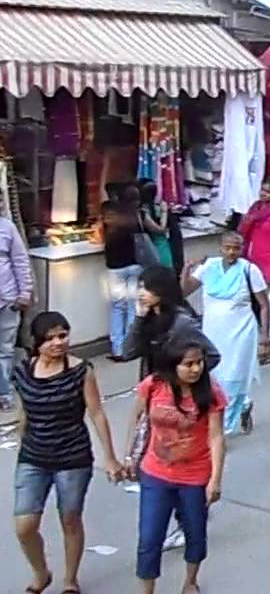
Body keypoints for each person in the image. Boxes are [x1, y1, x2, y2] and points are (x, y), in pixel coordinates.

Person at [12, 312, 124, 594]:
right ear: (37, 342)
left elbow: (97, 413)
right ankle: (42, 573)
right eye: (50, 338)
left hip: (72, 457)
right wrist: (21, 437)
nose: (58, 343)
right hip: (33, 457)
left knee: (70, 518)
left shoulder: (80, 370)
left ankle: (70, 580)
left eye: (62, 336)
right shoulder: (24, 371)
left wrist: (109, 457)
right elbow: (24, 410)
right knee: (25, 525)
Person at [125, 335, 226, 594]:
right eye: (188, 364)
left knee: (195, 533)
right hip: (155, 473)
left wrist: (215, 480)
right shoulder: (153, 385)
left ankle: (190, 582)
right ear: (173, 365)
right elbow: (137, 419)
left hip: (194, 476)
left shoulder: (211, 392)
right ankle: (146, 589)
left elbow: (216, 436)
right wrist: (128, 456)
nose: (195, 369)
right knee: (149, 537)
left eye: (198, 363)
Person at [183, 232, 270, 436]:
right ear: (220, 247)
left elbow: (264, 305)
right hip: (213, 333)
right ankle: (244, 404)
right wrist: (187, 270)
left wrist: (265, 336)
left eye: (236, 248)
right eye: (228, 248)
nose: (232, 252)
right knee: (215, 377)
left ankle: (223, 429)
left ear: (242, 249)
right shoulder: (209, 266)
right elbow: (184, 291)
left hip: (241, 333)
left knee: (233, 377)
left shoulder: (250, 270)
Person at [125, 266, 219, 380]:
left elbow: (212, 355)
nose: (141, 293)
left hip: (176, 393)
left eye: (147, 288)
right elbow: (128, 353)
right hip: (153, 391)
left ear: (162, 290)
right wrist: (139, 318)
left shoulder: (182, 322)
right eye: (140, 287)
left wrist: (183, 379)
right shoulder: (147, 319)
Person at [103, 196, 143, 359]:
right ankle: (131, 346)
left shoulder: (109, 229)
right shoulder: (133, 221)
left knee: (118, 308)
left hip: (116, 269)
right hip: (135, 266)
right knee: (133, 306)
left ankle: (118, 348)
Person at [0, 213, 32, 412]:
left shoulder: (7, 227)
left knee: (5, 350)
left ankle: (3, 394)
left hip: (7, 300)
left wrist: (25, 292)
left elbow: (20, 261)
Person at [138, 180, 173, 269]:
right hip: (155, 249)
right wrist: (164, 212)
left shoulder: (151, 209)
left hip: (159, 248)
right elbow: (160, 230)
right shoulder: (143, 212)